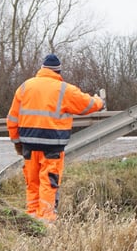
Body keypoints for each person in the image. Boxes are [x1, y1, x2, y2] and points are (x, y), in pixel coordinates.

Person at [7, 53, 105, 222]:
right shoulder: (64, 89)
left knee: (33, 181)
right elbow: (87, 104)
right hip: (53, 144)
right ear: (58, 71)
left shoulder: (25, 87)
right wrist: (100, 102)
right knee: (48, 182)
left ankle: (31, 218)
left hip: (28, 143)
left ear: (42, 69)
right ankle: (46, 221)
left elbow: (12, 119)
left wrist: (17, 142)